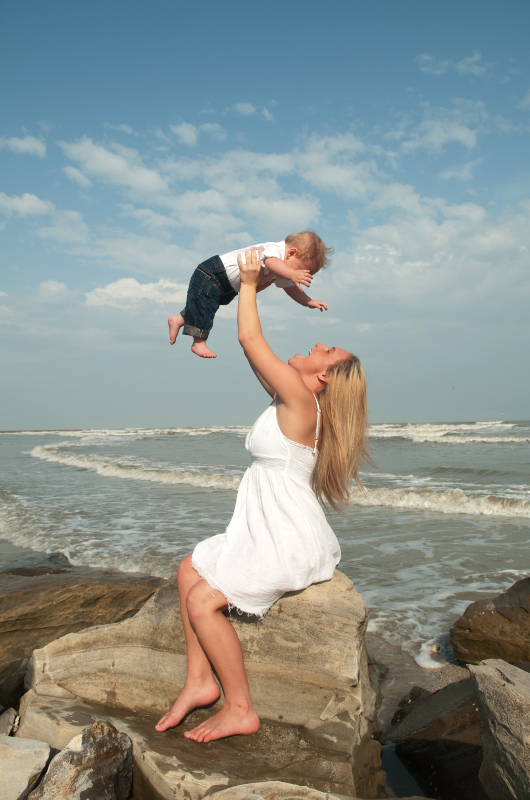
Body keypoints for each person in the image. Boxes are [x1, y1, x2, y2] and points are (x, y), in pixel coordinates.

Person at [155, 248, 370, 743]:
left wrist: (250, 283)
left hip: (286, 539)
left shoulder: (302, 402)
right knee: (188, 568)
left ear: (323, 378)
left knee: (204, 600)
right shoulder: (287, 396)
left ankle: (241, 708)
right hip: (261, 529)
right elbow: (255, 352)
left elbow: (250, 339)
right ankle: (199, 681)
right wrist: (248, 288)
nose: (318, 343)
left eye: (327, 350)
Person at [168, 231, 332, 358]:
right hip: (214, 273)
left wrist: (308, 301)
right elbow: (270, 261)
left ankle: (179, 319)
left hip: (228, 286)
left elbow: (292, 289)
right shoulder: (276, 250)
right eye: (299, 270)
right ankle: (198, 341)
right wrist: (292, 273)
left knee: (205, 305)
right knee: (206, 305)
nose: (298, 275)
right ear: (291, 252)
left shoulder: (283, 269)